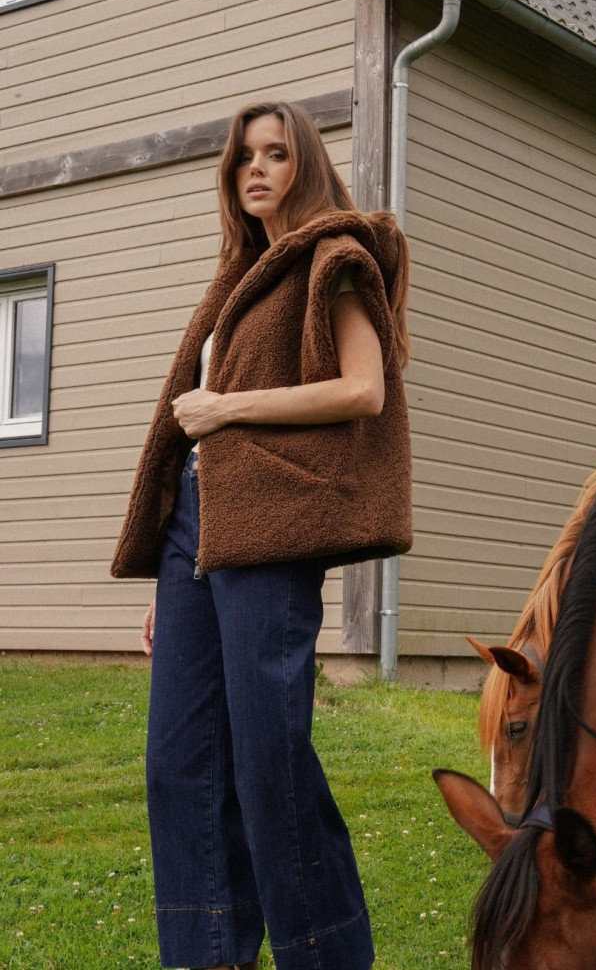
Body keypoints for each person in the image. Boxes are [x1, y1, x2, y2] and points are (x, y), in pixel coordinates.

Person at [111, 100, 413, 970]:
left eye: (275, 154)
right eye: (244, 156)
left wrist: (227, 407)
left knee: (266, 758)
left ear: (303, 165)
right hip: (197, 530)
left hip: (271, 530)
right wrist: (179, 576)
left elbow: (364, 389)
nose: (256, 168)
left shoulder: (333, 258)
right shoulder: (239, 278)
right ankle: (209, 953)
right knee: (177, 759)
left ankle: (325, 953)